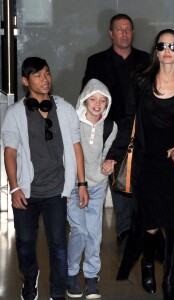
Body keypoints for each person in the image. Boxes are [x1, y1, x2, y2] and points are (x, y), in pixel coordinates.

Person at [103, 29, 174, 300]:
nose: (168, 50)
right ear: (156, 51)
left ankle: (170, 278)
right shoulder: (140, 81)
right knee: (150, 222)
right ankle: (148, 261)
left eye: (173, 45)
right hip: (147, 162)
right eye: (162, 45)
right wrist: (113, 154)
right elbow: (128, 121)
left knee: (173, 223)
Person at [1, 57, 89, 300]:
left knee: (58, 245)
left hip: (56, 190)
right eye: (38, 75)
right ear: (25, 81)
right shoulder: (15, 114)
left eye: (47, 73)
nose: (45, 79)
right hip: (26, 192)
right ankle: (30, 278)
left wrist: (81, 183)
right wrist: (15, 188)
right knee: (25, 243)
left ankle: (57, 292)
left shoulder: (65, 109)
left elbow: (76, 146)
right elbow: (10, 152)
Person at [81, 13, 149, 247]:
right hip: (108, 130)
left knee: (139, 179)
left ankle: (142, 228)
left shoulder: (146, 60)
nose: (124, 33)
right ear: (110, 33)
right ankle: (125, 231)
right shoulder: (96, 61)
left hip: (140, 130)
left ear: (133, 32)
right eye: (119, 29)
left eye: (128, 29)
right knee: (116, 177)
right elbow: (87, 96)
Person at [66, 79, 117, 299]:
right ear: (84, 100)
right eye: (93, 99)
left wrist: (109, 164)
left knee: (94, 234)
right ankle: (70, 273)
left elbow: (106, 154)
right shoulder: (72, 123)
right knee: (79, 230)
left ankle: (91, 278)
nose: (97, 104)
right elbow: (65, 157)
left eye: (103, 100)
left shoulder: (110, 126)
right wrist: (67, 187)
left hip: (97, 186)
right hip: (73, 187)